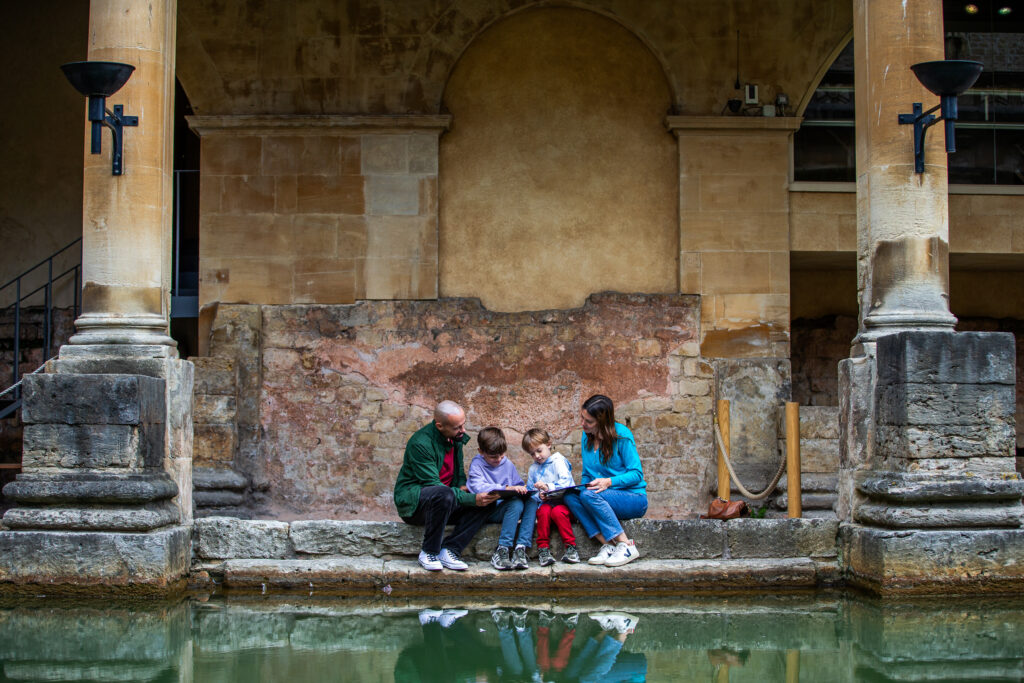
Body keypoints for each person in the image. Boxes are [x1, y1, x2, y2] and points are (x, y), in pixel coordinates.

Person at [394, 400, 499, 572]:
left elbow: (458, 470)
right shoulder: (420, 444)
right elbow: (433, 485)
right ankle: (429, 552)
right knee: (444, 494)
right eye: (457, 427)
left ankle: (450, 550)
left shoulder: (455, 437)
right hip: (415, 505)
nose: (463, 431)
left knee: (487, 501)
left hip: (445, 502)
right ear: (440, 426)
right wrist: (470, 498)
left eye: (463, 425)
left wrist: (462, 486)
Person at [563, 394, 647, 567]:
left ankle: (626, 545)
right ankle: (608, 545)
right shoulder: (586, 437)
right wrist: (579, 487)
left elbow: (637, 474)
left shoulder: (622, 436)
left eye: (589, 421)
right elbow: (587, 473)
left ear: (602, 421)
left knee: (588, 496)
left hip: (633, 498)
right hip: (600, 496)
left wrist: (609, 482)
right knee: (571, 497)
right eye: (582, 418)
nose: (583, 424)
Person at [466, 427, 538, 570]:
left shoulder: (507, 463)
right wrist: (505, 488)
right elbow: (478, 487)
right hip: (489, 509)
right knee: (516, 504)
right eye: (493, 457)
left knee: (532, 500)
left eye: (501, 455)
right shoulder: (477, 465)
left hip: (509, 508)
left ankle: (520, 548)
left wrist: (522, 489)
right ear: (481, 451)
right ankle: (502, 549)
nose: (498, 460)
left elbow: (516, 484)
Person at [522, 428, 580, 565]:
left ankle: (571, 547)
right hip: (548, 505)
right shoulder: (533, 469)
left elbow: (566, 483)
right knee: (543, 511)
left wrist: (548, 488)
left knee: (558, 512)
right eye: (532, 454)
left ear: (548, 444)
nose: (537, 456)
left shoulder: (558, 461)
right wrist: (540, 495)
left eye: (539, 450)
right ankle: (543, 549)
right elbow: (532, 490)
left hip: (565, 504)